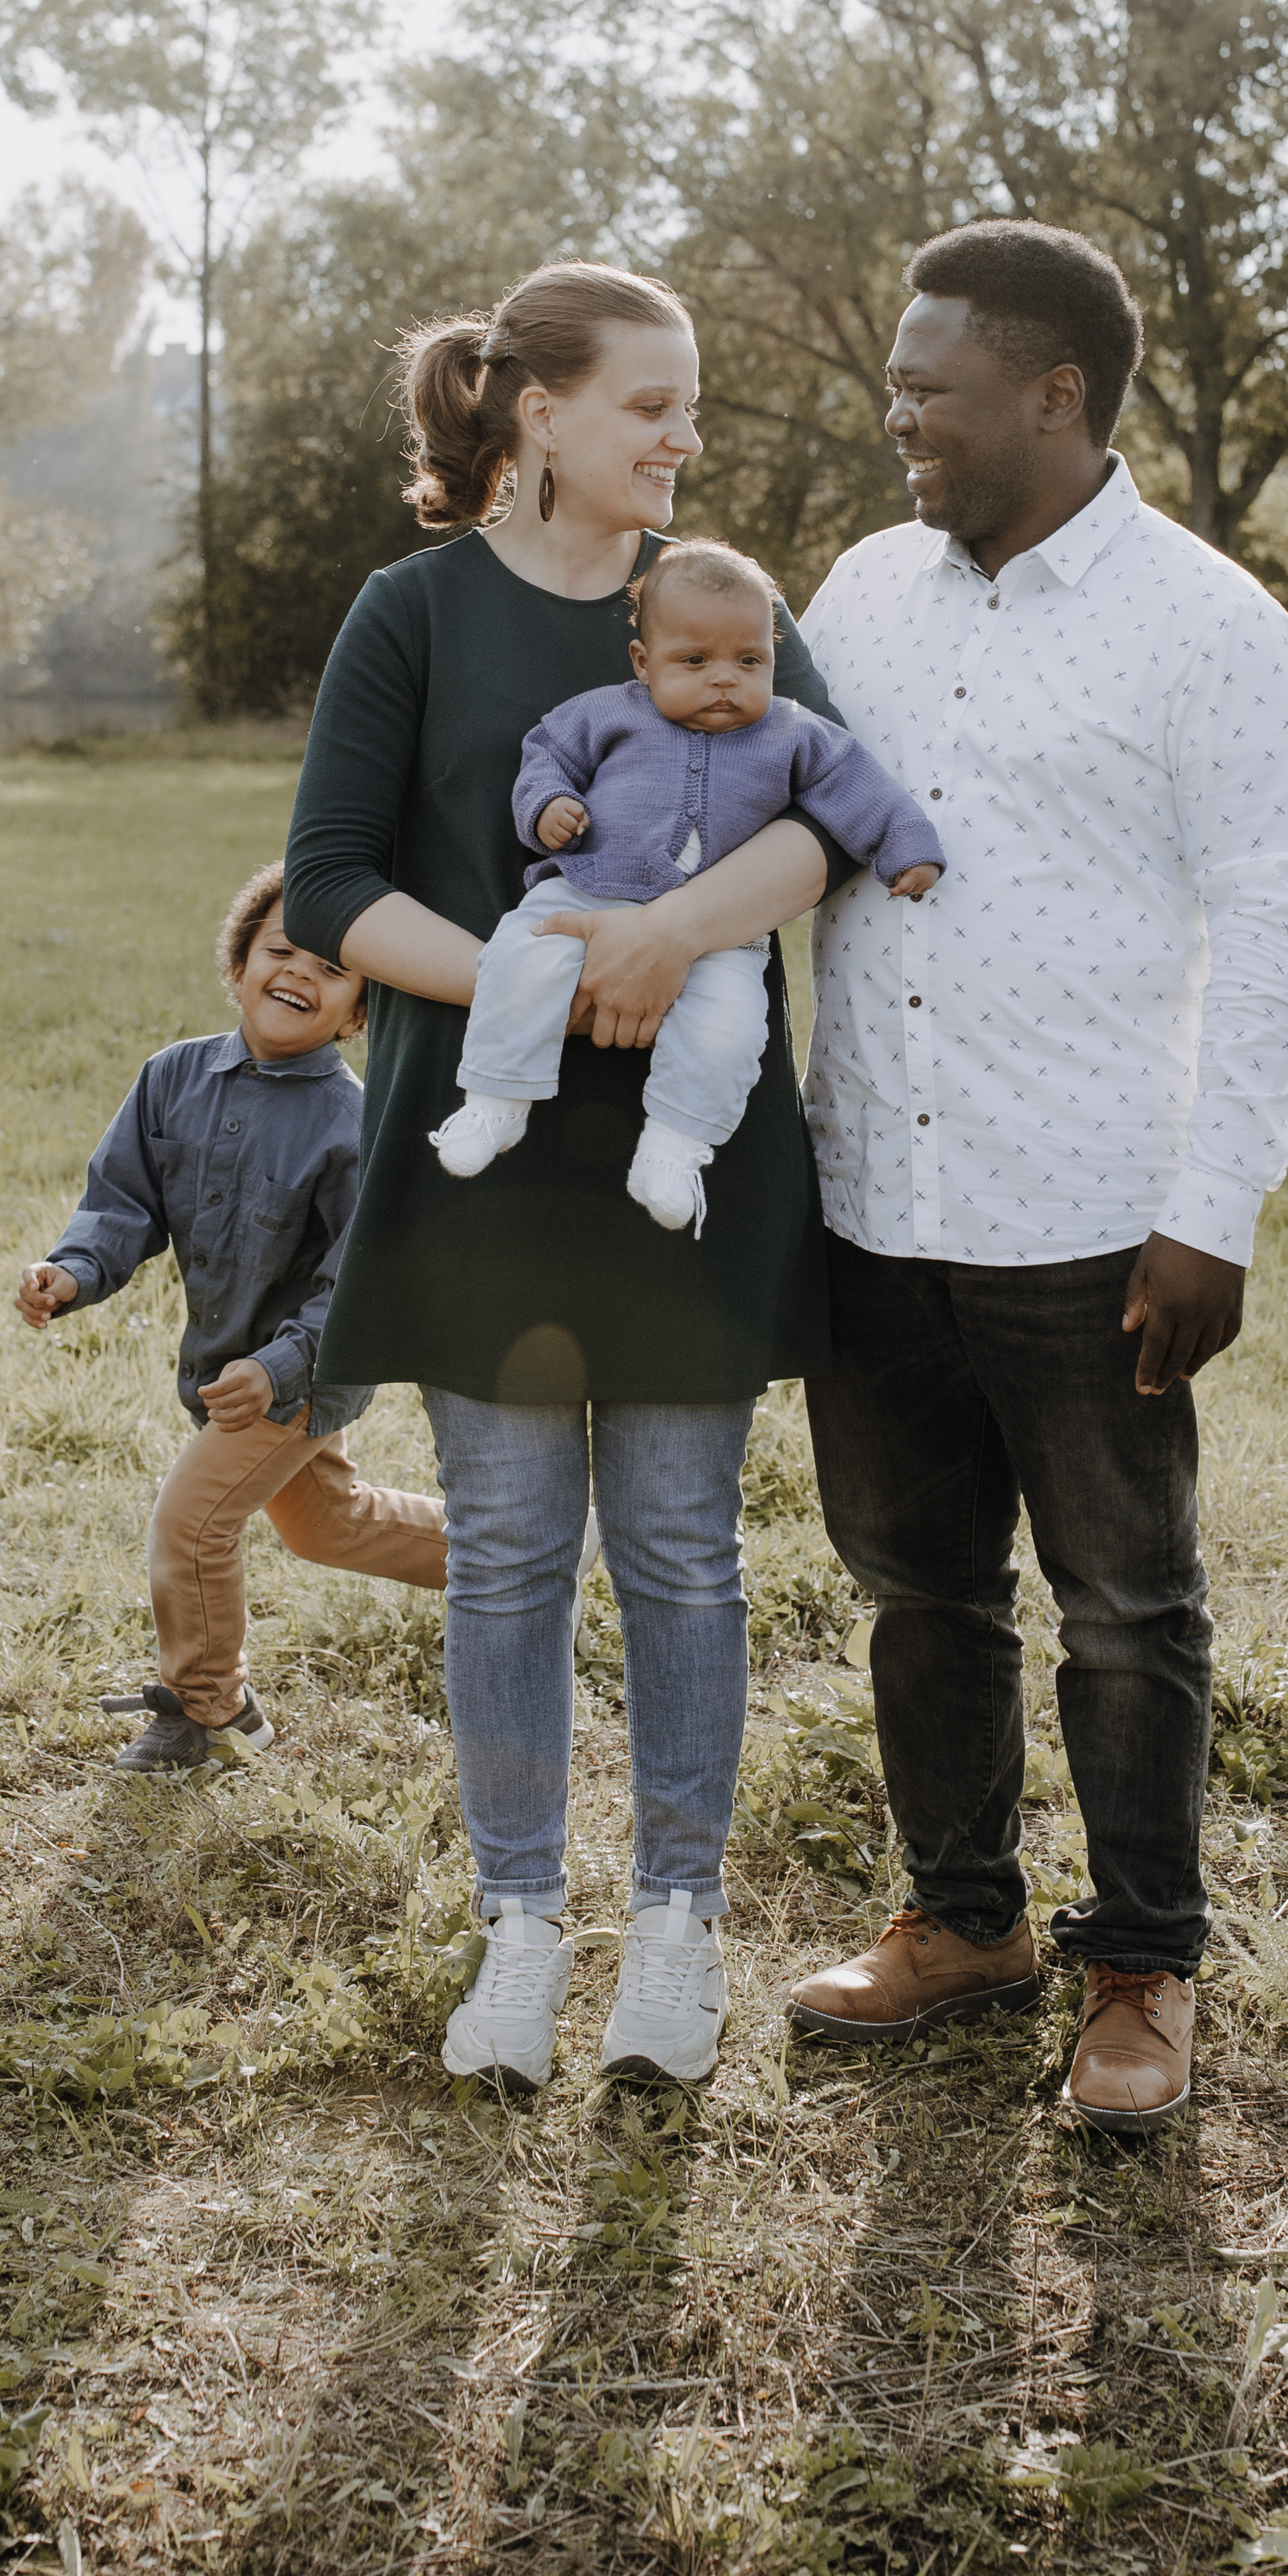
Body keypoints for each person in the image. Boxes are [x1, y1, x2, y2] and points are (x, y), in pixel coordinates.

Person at [785, 220, 1288, 2130]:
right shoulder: (860, 590)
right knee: (914, 1583)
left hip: (1095, 1208)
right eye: (891, 388)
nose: (898, 419)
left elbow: (1272, 930)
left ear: (1055, 393)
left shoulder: (1209, 625)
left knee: (1124, 1604)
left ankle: (1140, 1967)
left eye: (926, 389)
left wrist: (1214, 1208)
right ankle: (963, 1919)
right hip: (869, 1191)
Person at [282, 261, 851, 2095]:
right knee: (511, 1554)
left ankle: (676, 1927)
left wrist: (665, 938)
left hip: (690, 1164)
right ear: (540, 413)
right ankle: (518, 1924)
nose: (683, 439)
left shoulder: (720, 604)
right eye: (650, 406)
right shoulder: (412, 612)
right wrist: (543, 972)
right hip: (486, 1153)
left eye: (691, 409)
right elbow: (331, 881)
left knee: (682, 1550)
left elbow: (829, 819)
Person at [18, 863, 446, 1773]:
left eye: (332, 967)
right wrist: (71, 1271)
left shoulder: (352, 1125)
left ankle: (208, 1709)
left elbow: (361, 1281)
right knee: (326, 1524)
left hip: (303, 1369)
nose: (299, 973)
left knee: (191, 1523)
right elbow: (122, 1204)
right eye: (281, 949)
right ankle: (524, 1558)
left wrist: (280, 1366)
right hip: (226, 1363)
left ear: (360, 1008)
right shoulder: (172, 1077)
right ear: (240, 960)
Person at [434, 537, 944, 1233]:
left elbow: (857, 785)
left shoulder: (795, 733)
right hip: (584, 888)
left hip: (719, 935)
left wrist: (906, 847)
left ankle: (674, 1149)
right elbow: (544, 756)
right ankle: (494, 1100)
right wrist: (546, 805)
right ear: (643, 662)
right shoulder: (605, 712)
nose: (724, 679)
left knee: (729, 1029)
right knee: (518, 961)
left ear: (772, 657)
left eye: (748, 660)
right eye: (695, 661)